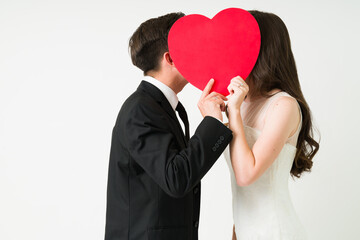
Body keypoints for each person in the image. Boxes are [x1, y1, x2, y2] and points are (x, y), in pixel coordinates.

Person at [104, 12, 233, 240]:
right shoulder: (140, 109)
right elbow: (176, 178)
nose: (201, 56)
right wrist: (212, 123)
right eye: (192, 48)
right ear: (171, 59)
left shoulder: (161, 105)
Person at [224, 10, 320, 239]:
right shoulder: (243, 103)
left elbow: (246, 175)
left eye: (241, 43)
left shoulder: (283, 105)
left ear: (262, 50)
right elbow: (243, 191)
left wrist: (234, 111)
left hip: (275, 232)